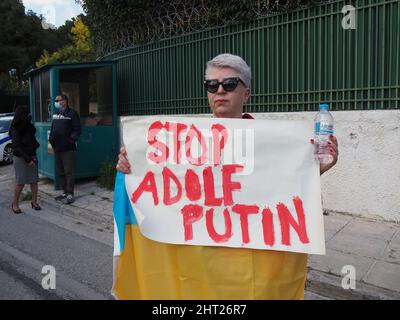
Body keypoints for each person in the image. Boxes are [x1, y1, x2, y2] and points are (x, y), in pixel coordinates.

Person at [114, 53, 339, 299]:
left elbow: (289, 189)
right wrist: (131, 167)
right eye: (212, 85)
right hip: (202, 260)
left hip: (255, 262)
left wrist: (315, 171)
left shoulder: (274, 143)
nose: (220, 90)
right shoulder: (181, 144)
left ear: (246, 93)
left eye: (229, 84)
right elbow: (158, 186)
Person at [49, 94, 82, 204]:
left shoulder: (72, 113)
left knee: (69, 172)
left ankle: (70, 194)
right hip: (57, 148)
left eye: (57, 100)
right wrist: (51, 139)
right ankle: (64, 192)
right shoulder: (56, 114)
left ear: (64, 101)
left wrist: (70, 140)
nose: (56, 102)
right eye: (55, 100)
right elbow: (53, 128)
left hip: (68, 148)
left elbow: (77, 130)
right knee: (61, 171)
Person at [9, 106, 41, 214]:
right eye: (27, 114)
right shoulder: (15, 127)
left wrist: (28, 122)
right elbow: (17, 147)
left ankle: (34, 202)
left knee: (34, 181)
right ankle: (15, 204)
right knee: (20, 182)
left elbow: (33, 131)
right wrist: (28, 160)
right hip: (20, 157)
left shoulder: (27, 125)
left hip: (32, 154)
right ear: (21, 115)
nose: (28, 115)